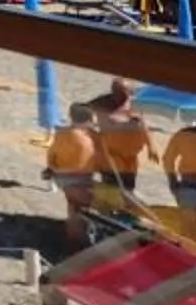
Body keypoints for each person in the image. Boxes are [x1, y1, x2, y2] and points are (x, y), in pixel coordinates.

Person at [47, 82, 154, 247]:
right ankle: (107, 229)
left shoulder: (133, 106)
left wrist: (151, 146)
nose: (126, 93)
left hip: (128, 160)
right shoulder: (101, 105)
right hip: (108, 162)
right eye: (123, 90)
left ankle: (89, 231)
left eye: (127, 90)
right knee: (117, 197)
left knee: (118, 194)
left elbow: (144, 125)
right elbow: (85, 113)